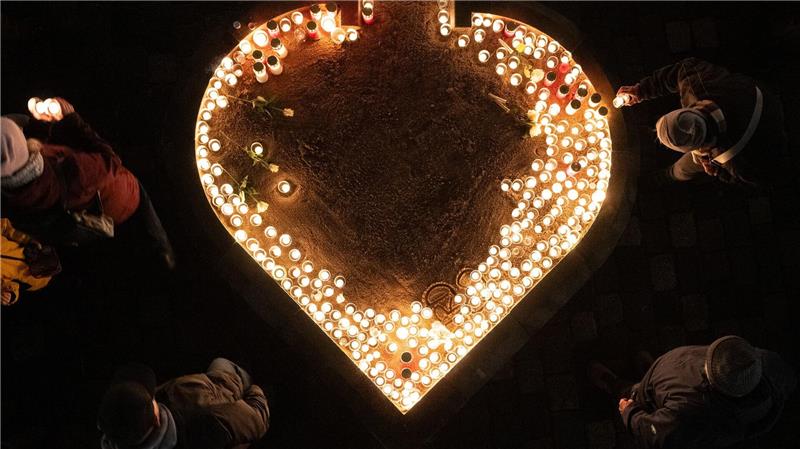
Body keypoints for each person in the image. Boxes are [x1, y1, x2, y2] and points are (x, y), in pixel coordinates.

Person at [0, 100, 174, 268]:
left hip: (94, 214)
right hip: (124, 195)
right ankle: (163, 252)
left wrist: (42, 125)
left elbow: (33, 153)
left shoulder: (12, 195)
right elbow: (112, 161)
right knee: (144, 205)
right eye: (19, 132)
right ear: (25, 147)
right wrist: (73, 119)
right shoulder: (77, 173)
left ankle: (159, 253)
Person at [589, 336, 796, 449]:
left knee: (632, 394)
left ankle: (614, 385)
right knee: (657, 384)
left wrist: (630, 413)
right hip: (665, 383)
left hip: (652, 396)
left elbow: (657, 434)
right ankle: (649, 373)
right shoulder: (759, 364)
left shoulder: (689, 414)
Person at [617, 57, 787, 189]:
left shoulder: (733, 160)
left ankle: (665, 177)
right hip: (762, 98)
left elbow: (762, 178)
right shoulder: (699, 83)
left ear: (694, 150)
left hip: (770, 119)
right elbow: (680, 70)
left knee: (684, 169)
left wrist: (716, 171)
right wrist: (640, 91)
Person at [98, 358, 270, 449]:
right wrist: (257, 389)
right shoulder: (205, 427)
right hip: (238, 399)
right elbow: (256, 416)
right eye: (151, 399)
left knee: (220, 363)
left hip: (217, 389)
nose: (153, 393)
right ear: (156, 420)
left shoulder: (122, 432)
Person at [1, 217, 61, 306]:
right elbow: (6, 227)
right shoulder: (28, 245)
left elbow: (11, 287)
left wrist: (11, 296)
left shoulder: (18, 276)